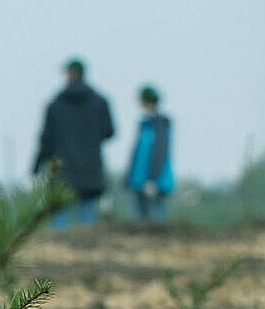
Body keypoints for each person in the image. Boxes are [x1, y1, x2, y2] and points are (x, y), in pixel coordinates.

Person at [33, 58, 115, 229]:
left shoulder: (55, 105)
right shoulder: (100, 102)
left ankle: (58, 244)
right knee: (88, 223)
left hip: (62, 169)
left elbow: (46, 139)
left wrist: (36, 167)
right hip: (90, 168)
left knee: (59, 220)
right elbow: (109, 131)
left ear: (69, 75)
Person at [126, 86, 174, 222]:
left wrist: (153, 180)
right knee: (138, 219)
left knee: (157, 217)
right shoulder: (144, 124)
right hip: (138, 180)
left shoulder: (160, 125)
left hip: (155, 181)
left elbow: (160, 153)